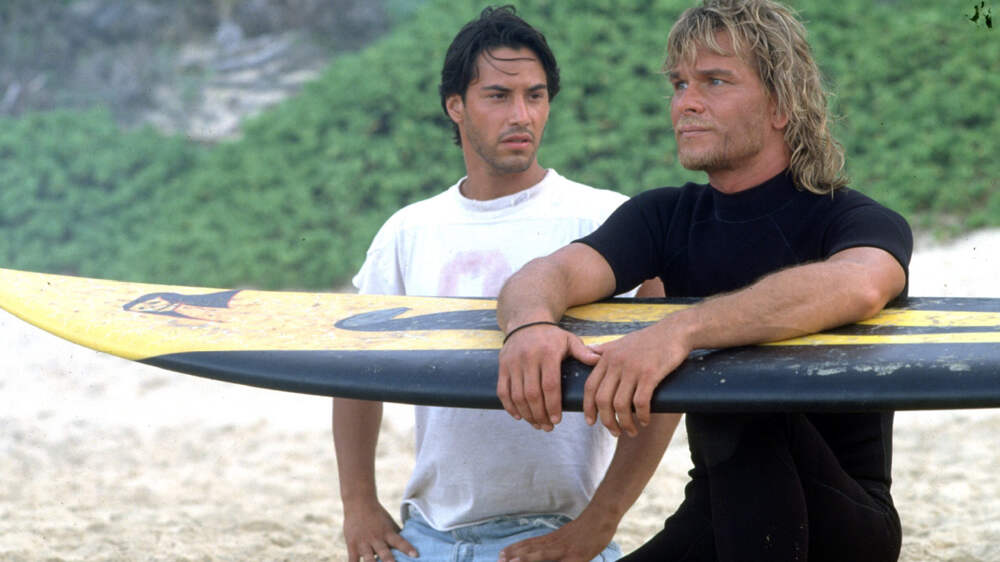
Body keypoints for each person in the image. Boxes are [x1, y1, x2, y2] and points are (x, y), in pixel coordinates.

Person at [496, 0, 913, 560]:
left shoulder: (853, 219)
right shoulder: (664, 217)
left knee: (734, 388)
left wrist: (680, 332)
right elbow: (546, 274)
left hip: (841, 521)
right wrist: (529, 326)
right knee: (725, 413)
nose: (685, 103)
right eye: (678, 84)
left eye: (714, 81)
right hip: (721, 506)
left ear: (781, 104)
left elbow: (858, 284)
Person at [333, 6, 677, 562]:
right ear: (456, 106)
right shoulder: (409, 231)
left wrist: (599, 524)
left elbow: (663, 386)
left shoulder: (607, 222)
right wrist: (358, 504)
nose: (521, 115)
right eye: (498, 96)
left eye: (535, 96)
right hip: (427, 536)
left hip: (561, 535)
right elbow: (354, 370)